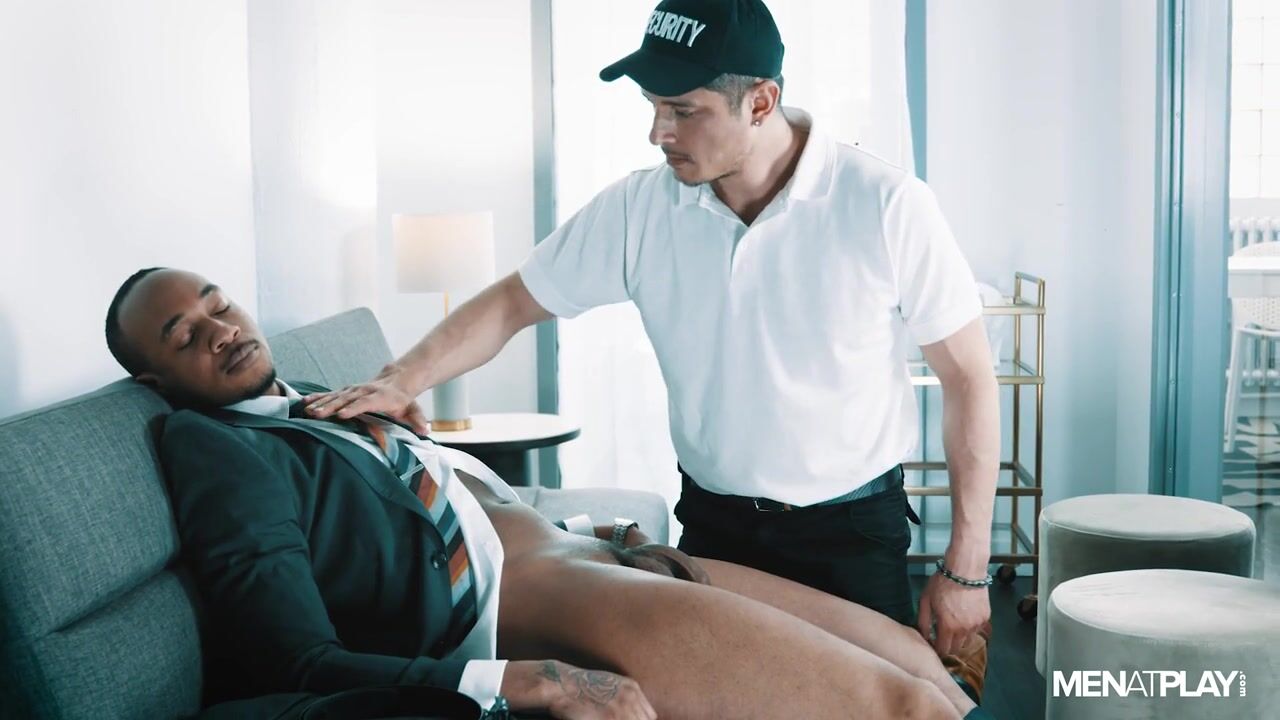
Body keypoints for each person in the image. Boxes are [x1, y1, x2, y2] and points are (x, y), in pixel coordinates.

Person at [302, 0, 1000, 701]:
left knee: (889, 706)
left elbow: (968, 376)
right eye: (653, 106)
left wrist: (967, 568)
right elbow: (513, 302)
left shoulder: (885, 203)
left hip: (851, 534)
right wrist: (401, 379)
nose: (658, 132)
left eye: (683, 110)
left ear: (761, 102)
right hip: (717, 530)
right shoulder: (640, 209)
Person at [107, 266, 997, 719]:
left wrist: (413, 434)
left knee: (915, 662)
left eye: (218, 304)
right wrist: (518, 680)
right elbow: (294, 660)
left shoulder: (312, 400)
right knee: (902, 708)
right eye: (183, 335)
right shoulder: (211, 443)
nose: (218, 330)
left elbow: (418, 500)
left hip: (604, 554)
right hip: (535, 603)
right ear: (155, 379)